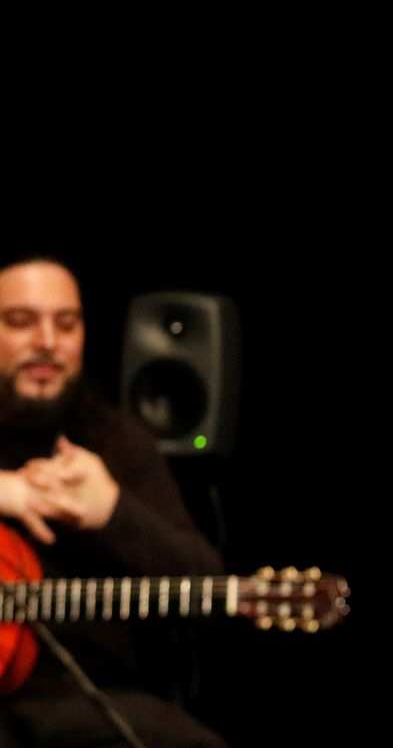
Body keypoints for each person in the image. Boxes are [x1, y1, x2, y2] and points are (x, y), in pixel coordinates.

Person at [0, 255, 226, 748]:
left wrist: (113, 511)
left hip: (83, 704)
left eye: (67, 323)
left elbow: (204, 583)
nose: (47, 342)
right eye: (19, 321)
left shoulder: (116, 442)